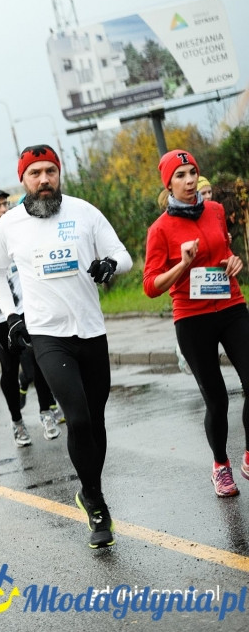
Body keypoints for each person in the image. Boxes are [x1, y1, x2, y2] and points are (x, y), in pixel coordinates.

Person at [0, 144, 131, 548]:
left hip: (90, 330)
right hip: (47, 334)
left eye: (50, 171)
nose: (44, 179)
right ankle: (98, 505)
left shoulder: (84, 212)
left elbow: (122, 255)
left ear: (59, 173)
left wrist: (111, 265)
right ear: (24, 180)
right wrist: (13, 315)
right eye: (35, 173)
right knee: (78, 419)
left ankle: (89, 489)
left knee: (96, 420)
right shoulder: (10, 224)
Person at [143, 149, 249, 498]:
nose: (190, 181)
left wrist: (232, 261)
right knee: (217, 400)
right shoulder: (160, 229)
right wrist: (182, 265)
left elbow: (223, 252)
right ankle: (221, 465)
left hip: (231, 306)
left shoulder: (216, 211)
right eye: (181, 175)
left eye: (193, 173)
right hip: (193, 318)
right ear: (169, 184)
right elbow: (151, 286)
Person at [0, 189, 63, 446]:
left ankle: (45, 413)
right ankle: (17, 421)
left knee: (40, 362)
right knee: (9, 369)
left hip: (30, 307)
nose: (2, 209)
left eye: (4, 204)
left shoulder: (19, 225)